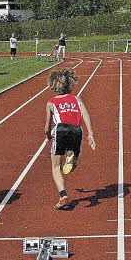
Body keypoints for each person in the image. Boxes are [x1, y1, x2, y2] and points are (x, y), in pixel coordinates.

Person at [44, 69, 97, 209]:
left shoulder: (51, 103)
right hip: (76, 130)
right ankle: (71, 157)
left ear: (53, 86)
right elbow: (86, 116)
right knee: (72, 157)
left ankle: (63, 196)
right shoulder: (77, 99)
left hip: (60, 130)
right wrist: (90, 134)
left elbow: (47, 126)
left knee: (56, 167)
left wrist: (48, 136)